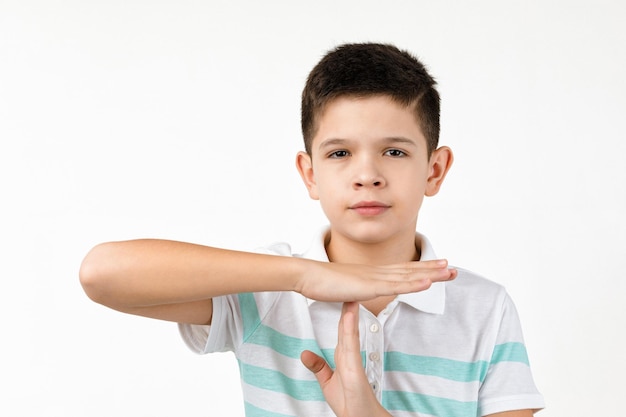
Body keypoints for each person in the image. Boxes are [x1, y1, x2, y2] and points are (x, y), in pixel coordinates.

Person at [80, 43, 545, 417]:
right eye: (339, 153)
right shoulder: (265, 289)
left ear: (435, 170)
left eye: (395, 152)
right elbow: (102, 273)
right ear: (309, 174)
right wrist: (303, 276)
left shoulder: (485, 308)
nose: (367, 174)